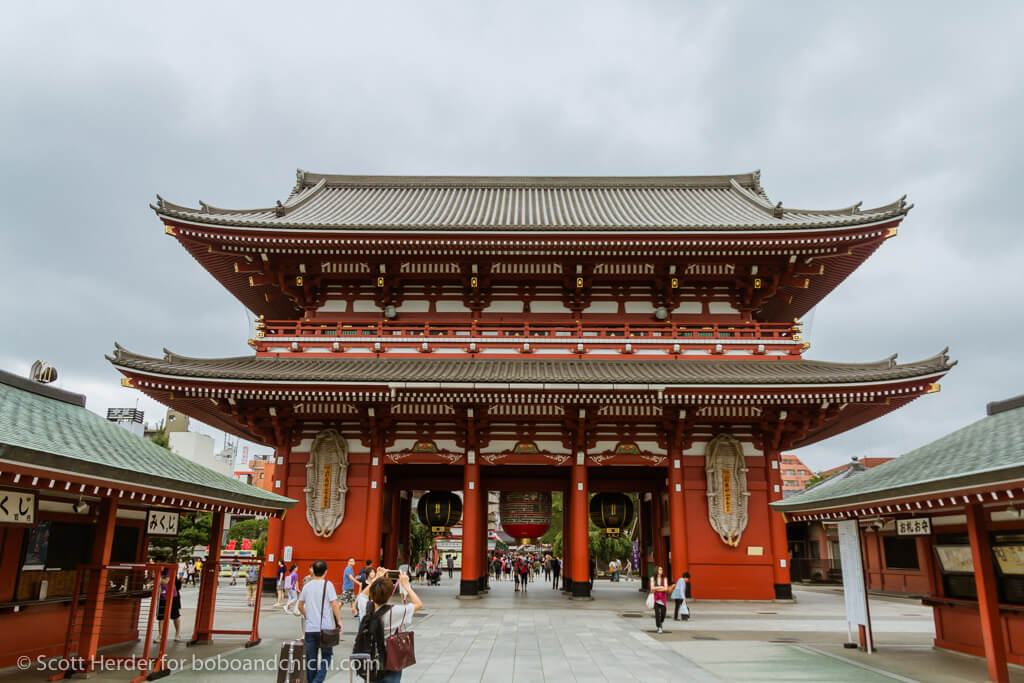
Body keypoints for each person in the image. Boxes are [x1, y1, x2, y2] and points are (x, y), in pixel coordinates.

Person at [354, 566, 423, 682]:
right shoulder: (395, 611)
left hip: (370, 657)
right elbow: (418, 604)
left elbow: (362, 595)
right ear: (390, 594)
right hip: (391, 660)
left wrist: (376, 579)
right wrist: (406, 585)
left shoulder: (365, 606)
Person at [297, 560, 343, 683]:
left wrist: (307, 616)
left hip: (310, 628)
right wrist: (339, 621)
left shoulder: (307, 586)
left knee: (311, 660)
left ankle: (314, 680)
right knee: (327, 656)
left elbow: (300, 605)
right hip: (326, 628)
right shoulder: (328, 585)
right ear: (325, 572)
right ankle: (317, 681)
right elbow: (334, 604)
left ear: (313, 571)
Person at [155, 570, 182, 642]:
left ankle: (177, 633)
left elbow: (166, 581)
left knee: (175, 616)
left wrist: (156, 578)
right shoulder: (157, 570)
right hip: (162, 596)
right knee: (161, 617)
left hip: (172, 596)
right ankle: (160, 635)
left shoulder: (169, 570)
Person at [650, 565, 669, 633]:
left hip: (663, 599)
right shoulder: (652, 578)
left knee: (663, 614)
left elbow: (666, 588)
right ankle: (659, 627)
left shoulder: (665, 578)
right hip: (656, 599)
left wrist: (657, 588)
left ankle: (661, 622)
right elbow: (652, 588)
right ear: (656, 571)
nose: (661, 571)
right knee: (657, 614)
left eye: (662, 569)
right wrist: (661, 587)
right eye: (660, 569)